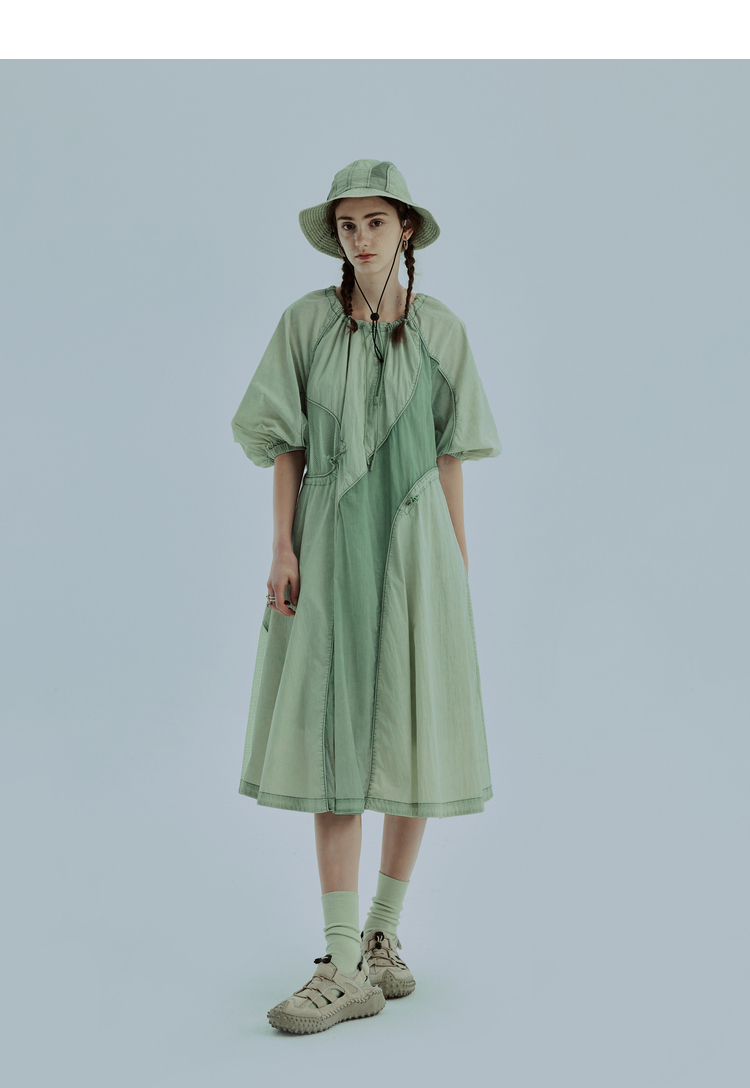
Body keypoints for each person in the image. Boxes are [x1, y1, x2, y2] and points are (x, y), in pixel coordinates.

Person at [231, 159, 502, 1034]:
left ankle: (383, 935)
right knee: (333, 739)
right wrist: (282, 547)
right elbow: (285, 444)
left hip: (416, 548)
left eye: (375, 222)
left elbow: (451, 455)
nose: (360, 238)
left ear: (405, 229)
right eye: (347, 225)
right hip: (328, 542)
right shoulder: (306, 324)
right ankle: (342, 958)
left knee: (413, 734)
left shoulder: (441, 330)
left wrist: (456, 569)